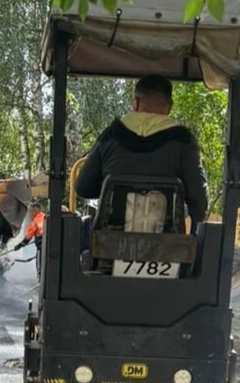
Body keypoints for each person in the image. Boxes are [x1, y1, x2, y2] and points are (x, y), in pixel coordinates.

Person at [75, 74, 208, 233]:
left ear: (136, 102)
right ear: (170, 106)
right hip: (167, 244)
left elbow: (83, 188)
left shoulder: (111, 136)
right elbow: (199, 205)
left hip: (109, 241)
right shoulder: (185, 142)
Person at [14, 202, 45, 278]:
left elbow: (27, 238)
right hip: (48, 246)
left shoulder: (35, 222)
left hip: (41, 248)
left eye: (31, 211)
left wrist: (19, 246)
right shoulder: (45, 217)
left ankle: (40, 279)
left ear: (36, 210)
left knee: (40, 267)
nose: (30, 214)